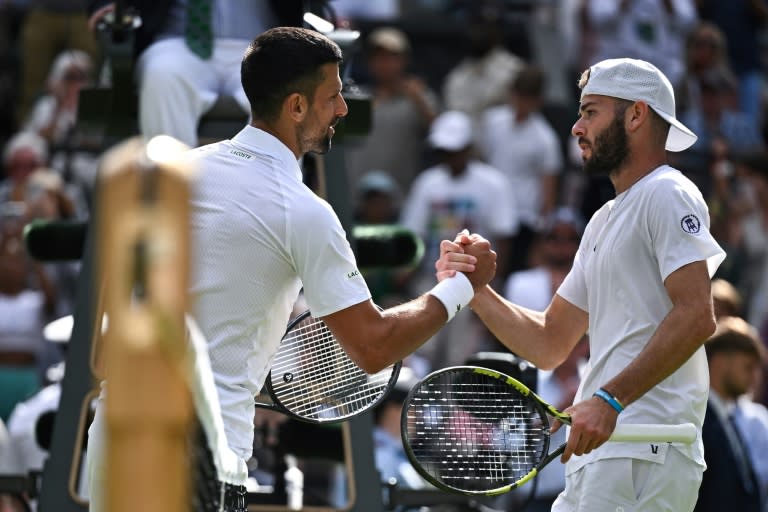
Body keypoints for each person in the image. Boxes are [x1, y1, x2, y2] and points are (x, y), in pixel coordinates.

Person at [85, 26, 496, 512]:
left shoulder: (166, 181)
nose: (342, 108)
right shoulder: (304, 212)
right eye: (334, 96)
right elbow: (373, 346)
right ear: (297, 106)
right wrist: (459, 289)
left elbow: (101, 354)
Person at [437, 57, 726, 511]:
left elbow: (697, 316)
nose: (576, 127)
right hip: (606, 451)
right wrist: (476, 289)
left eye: (590, 111)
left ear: (636, 114)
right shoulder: (603, 219)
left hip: (643, 447)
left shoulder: (668, 192)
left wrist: (609, 399)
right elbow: (551, 342)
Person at [87, 1, 304, 147]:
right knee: (162, 76)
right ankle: (173, 198)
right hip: (175, 42)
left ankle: (265, 205)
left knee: (284, 83)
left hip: (265, 41)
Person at [400, 110, 516, 370]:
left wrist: (493, 285)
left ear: (468, 148)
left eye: (455, 150)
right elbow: (414, 234)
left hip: (472, 282)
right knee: (423, 348)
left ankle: (454, 409)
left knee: (459, 352)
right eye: (444, 151)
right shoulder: (428, 183)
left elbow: (504, 237)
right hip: (432, 277)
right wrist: (406, 274)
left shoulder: (492, 183)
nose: (449, 157)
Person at [696, 316, 768, 511]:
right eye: (747, 367)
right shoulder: (700, 420)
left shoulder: (727, 417)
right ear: (719, 362)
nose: (754, 377)